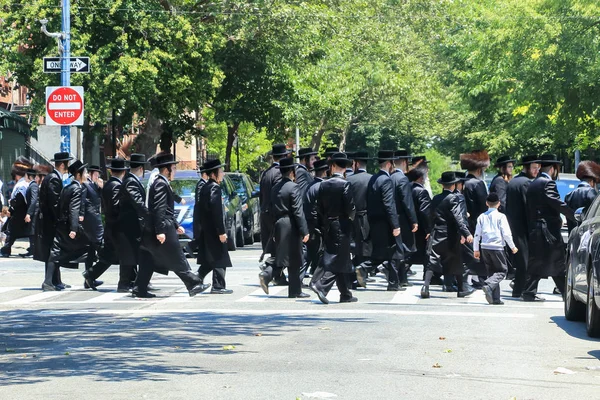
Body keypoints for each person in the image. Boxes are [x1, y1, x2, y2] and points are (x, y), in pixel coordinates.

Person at [141, 152, 211, 297]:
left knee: (150, 259)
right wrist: (160, 230)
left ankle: (139, 288)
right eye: (173, 168)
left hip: (165, 224)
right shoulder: (160, 183)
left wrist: (175, 224)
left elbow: (166, 209)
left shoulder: (162, 182)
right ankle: (193, 283)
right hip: (163, 227)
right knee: (177, 257)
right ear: (167, 169)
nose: (175, 171)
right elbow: (159, 209)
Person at [523, 154, 576, 302]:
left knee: (539, 261)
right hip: (547, 230)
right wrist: (575, 216)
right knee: (557, 261)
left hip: (536, 228)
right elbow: (557, 203)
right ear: (553, 168)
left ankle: (529, 291)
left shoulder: (533, 183)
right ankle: (566, 292)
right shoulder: (547, 183)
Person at [259, 157, 310, 298]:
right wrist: (304, 230)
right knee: (294, 257)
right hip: (291, 224)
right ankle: (269, 275)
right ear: (293, 172)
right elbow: (298, 211)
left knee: (286, 256)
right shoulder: (294, 187)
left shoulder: (275, 188)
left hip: (279, 223)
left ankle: (294, 290)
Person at [310, 153, 357, 304]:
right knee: (338, 258)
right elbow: (350, 207)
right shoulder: (345, 184)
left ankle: (345, 294)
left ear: (333, 166)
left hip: (329, 224)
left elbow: (319, 207)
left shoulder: (323, 184)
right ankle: (321, 286)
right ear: (344, 168)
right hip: (342, 225)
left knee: (340, 257)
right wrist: (351, 217)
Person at [422, 172, 474, 299]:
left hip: (437, 232)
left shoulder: (435, 198)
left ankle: (426, 286)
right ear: (453, 185)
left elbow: (430, 216)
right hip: (450, 234)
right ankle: (461, 289)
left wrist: (429, 231)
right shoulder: (454, 198)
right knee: (456, 260)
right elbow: (458, 217)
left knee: (432, 260)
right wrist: (466, 232)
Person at [43, 160, 90, 291]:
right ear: (79, 174)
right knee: (88, 248)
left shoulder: (68, 187)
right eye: (85, 172)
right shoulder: (76, 188)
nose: (87, 174)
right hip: (68, 226)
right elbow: (73, 209)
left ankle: (49, 281)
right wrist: (74, 228)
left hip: (61, 224)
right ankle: (90, 277)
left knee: (56, 252)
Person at [83, 158, 128, 290]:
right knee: (124, 254)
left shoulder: (108, 184)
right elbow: (116, 206)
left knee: (109, 255)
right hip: (117, 226)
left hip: (110, 226)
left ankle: (90, 274)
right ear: (123, 172)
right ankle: (126, 281)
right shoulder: (116, 185)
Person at [367, 150, 403, 291]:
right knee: (392, 252)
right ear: (389, 164)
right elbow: (389, 204)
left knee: (384, 252)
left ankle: (393, 282)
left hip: (374, 221)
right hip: (385, 222)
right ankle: (364, 268)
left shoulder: (373, 179)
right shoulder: (386, 180)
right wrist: (395, 224)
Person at [36, 152, 72, 290]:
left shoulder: (54, 177)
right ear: (62, 164)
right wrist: (62, 218)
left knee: (54, 251)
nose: (68, 167)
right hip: (51, 223)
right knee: (53, 251)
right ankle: (48, 281)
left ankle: (56, 280)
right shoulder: (54, 179)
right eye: (67, 164)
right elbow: (55, 203)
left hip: (50, 222)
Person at [473, 193, 518, 305]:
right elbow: (506, 233)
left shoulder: (481, 216)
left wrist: (476, 249)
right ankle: (488, 285)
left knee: (492, 272)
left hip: (484, 247)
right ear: (499, 203)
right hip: (497, 247)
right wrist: (512, 246)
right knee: (502, 271)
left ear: (486, 203)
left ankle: (495, 298)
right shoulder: (501, 217)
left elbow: (477, 234)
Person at [505, 155, 540, 298]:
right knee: (526, 261)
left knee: (521, 260)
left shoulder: (513, 181)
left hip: (513, 225)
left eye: (538, 167)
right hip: (523, 227)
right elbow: (529, 207)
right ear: (527, 167)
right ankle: (524, 290)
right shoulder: (526, 183)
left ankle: (518, 290)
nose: (536, 170)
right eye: (534, 167)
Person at [197, 159, 233, 294]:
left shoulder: (205, 187)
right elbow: (216, 211)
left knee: (209, 259)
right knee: (220, 258)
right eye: (220, 171)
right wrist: (221, 231)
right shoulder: (214, 188)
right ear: (213, 174)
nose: (222, 173)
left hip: (207, 229)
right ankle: (218, 285)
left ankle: (196, 279)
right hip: (214, 230)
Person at [259, 143, 291, 286]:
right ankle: (270, 270)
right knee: (283, 245)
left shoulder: (266, 173)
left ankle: (278, 275)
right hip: (275, 214)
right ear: (284, 157)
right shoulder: (279, 173)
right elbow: (280, 194)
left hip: (265, 213)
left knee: (275, 246)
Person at [118, 154, 150, 293]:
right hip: (129, 224)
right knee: (129, 254)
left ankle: (133, 280)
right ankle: (125, 282)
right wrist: (149, 215)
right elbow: (138, 202)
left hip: (132, 224)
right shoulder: (131, 181)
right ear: (141, 168)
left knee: (132, 253)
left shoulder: (131, 180)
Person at [390, 149, 418, 285]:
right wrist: (413, 220)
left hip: (392, 217)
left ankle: (401, 278)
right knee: (405, 249)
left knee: (398, 248)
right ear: (405, 163)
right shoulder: (402, 179)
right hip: (402, 218)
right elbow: (407, 202)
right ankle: (400, 278)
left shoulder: (390, 177)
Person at [348, 151, 374, 288]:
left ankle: (354, 275)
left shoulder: (349, 180)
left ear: (356, 164)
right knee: (367, 249)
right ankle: (360, 271)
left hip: (352, 217)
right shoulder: (372, 179)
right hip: (367, 217)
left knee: (355, 248)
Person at [0, 157, 33, 257]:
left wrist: (12, 205)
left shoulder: (22, 184)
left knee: (11, 232)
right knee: (27, 232)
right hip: (22, 211)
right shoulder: (24, 183)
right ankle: (32, 249)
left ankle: (6, 250)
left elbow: (19, 199)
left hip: (18, 212)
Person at [304, 159, 329, 280]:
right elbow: (317, 207)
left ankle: (314, 273)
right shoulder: (321, 186)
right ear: (324, 172)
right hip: (316, 223)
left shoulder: (311, 185)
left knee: (312, 251)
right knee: (315, 251)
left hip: (309, 222)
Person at [406, 164, 432, 275]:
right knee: (426, 252)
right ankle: (428, 276)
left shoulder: (407, 188)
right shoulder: (421, 191)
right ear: (421, 178)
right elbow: (425, 211)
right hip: (420, 227)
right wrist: (429, 229)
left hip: (408, 224)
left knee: (411, 251)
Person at [82, 165, 105, 284]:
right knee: (100, 247)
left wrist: (100, 188)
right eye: (96, 174)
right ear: (90, 174)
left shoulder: (94, 185)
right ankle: (91, 274)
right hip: (91, 220)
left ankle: (89, 278)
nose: (98, 176)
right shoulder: (85, 184)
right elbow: (83, 201)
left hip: (94, 218)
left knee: (90, 250)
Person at [565, 160, 600, 233]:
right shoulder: (591, 192)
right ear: (592, 181)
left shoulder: (569, 195)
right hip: (587, 234)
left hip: (573, 234)